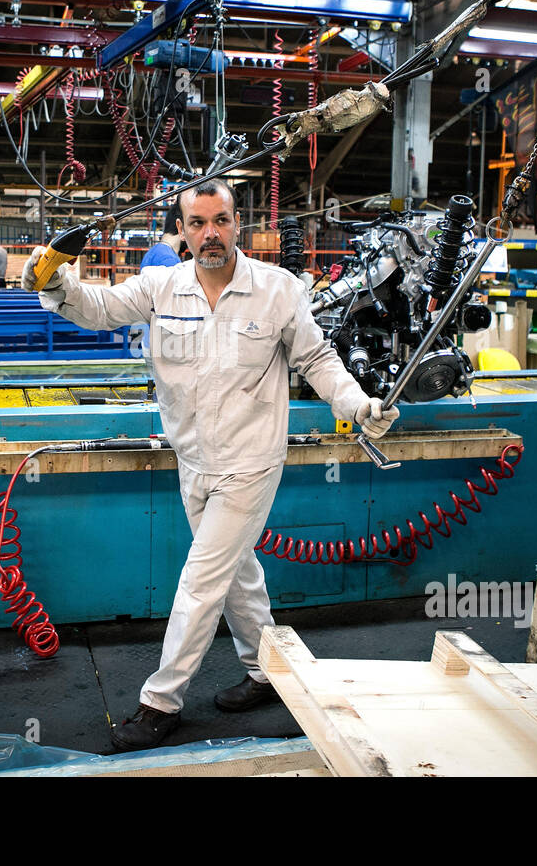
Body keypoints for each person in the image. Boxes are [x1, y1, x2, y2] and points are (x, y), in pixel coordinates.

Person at [22, 178, 399, 751]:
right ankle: (266, 671)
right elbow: (97, 309)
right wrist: (55, 281)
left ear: (237, 222)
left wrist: (358, 405)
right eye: (197, 223)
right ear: (183, 229)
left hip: (250, 463)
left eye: (219, 220)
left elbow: (319, 359)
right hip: (191, 461)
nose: (209, 234)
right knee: (236, 577)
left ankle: (161, 701)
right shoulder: (161, 287)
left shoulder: (278, 290)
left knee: (200, 582)